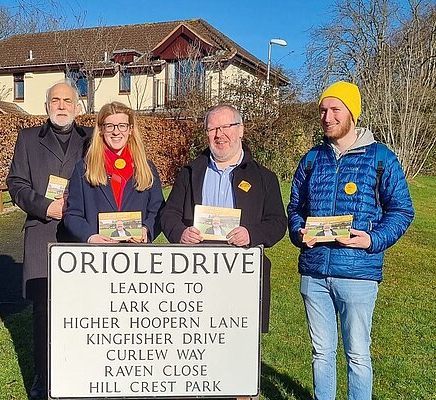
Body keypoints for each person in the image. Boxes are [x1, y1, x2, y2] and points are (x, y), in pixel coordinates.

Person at [287, 81, 414, 400]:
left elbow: (402, 209)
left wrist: (372, 239)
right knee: (321, 355)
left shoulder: (381, 158)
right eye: (322, 110)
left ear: (352, 113)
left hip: (357, 275)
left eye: (335, 110)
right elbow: (295, 208)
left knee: (358, 356)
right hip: (314, 274)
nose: (327, 117)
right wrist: (299, 231)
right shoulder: (312, 159)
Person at [160, 103, 287, 335]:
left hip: (242, 274)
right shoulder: (190, 173)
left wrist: (251, 234)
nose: (219, 135)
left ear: (240, 130)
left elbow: (278, 222)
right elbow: (168, 215)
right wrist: (180, 233)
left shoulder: (264, 178)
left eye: (226, 127)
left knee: (239, 345)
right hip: (194, 275)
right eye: (212, 129)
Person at [6, 80, 92, 399]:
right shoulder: (28, 139)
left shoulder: (92, 139)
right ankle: (45, 377)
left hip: (82, 236)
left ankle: (81, 372)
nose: (61, 105)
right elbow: (15, 183)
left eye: (67, 101)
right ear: (46, 106)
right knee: (44, 310)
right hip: (43, 232)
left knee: (84, 309)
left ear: (77, 106)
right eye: (55, 100)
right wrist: (46, 206)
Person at [64, 101, 164, 244]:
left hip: (137, 254)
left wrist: (146, 229)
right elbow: (72, 215)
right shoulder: (83, 169)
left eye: (122, 126)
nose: (116, 132)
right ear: (100, 130)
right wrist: (91, 237)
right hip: (98, 256)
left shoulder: (147, 168)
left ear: (130, 129)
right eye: (109, 126)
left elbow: (158, 210)